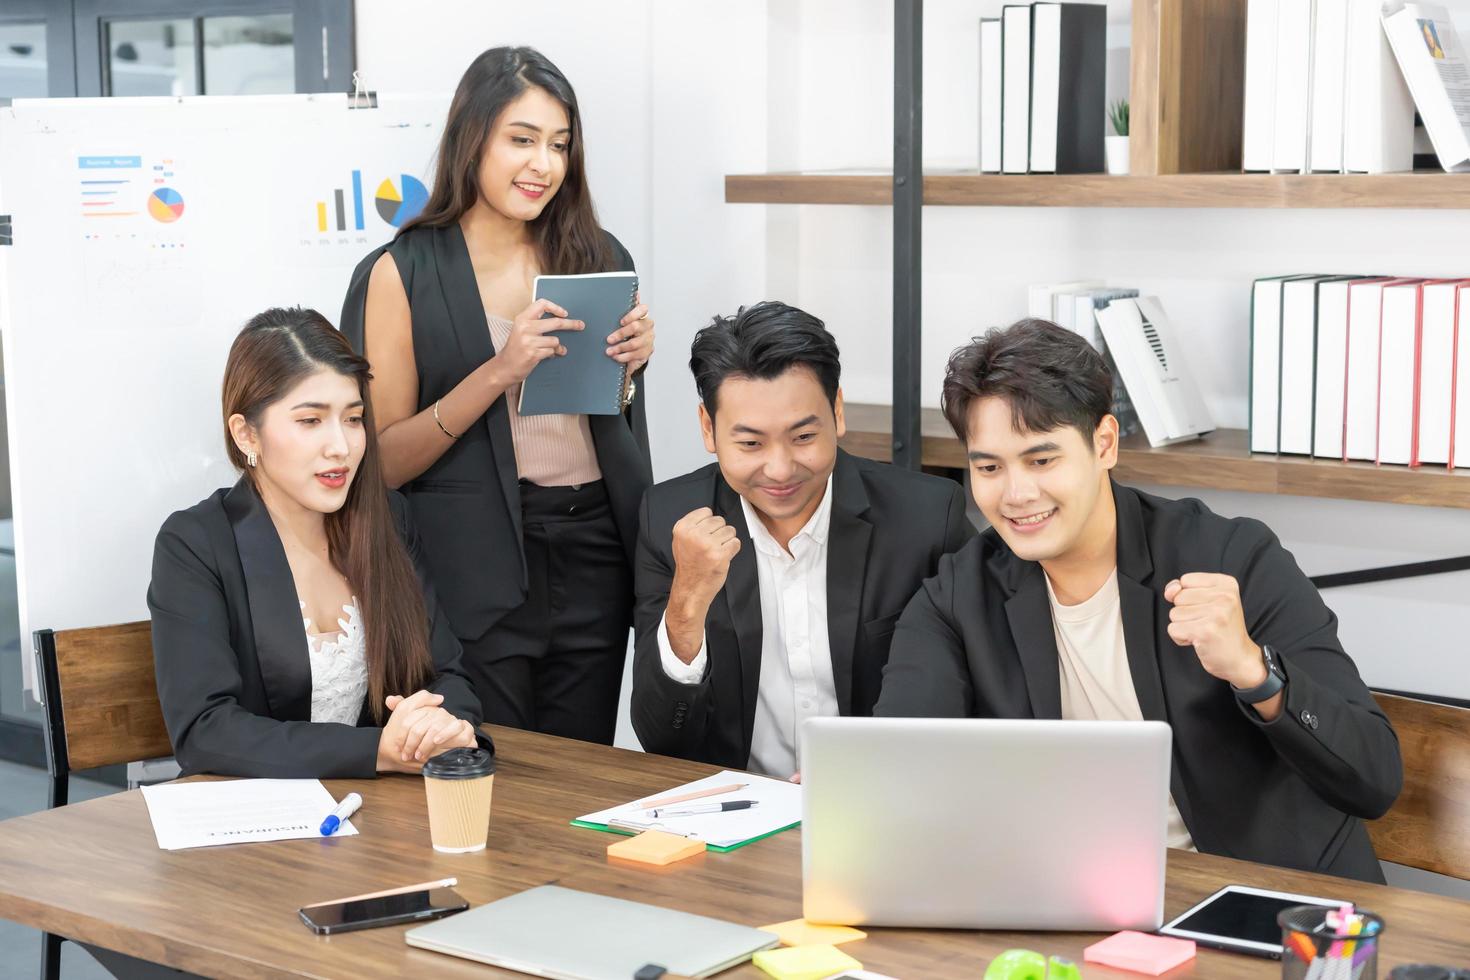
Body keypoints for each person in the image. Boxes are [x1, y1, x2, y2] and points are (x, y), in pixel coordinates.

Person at [874, 318, 1402, 882]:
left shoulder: (1231, 556)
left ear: (1104, 443)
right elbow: (902, 768)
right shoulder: (959, 595)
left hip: (1267, 899)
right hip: (1079, 898)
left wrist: (1255, 671)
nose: (1016, 494)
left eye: (1041, 460)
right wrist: (867, 788)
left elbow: (1373, 778)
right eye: (988, 467)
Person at [340, 46, 655, 744]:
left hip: (595, 547)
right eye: (521, 140)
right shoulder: (401, 273)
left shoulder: (600, 256)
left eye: (559, 145)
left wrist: (629, 370)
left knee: (581, 772)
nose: (542, 164)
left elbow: (609, 422)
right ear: (471, 138)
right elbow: (380, 462)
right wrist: (498, 370)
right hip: (471, 562)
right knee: (492, 767)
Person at [632, 302, 976, 776]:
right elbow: (661, 738)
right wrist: (687, 600)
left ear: (836, 412)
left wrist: (868, 772)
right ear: (708, 429)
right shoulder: (668, 518)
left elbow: (972, 697)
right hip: (733, 813)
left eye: (802, 437)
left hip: (879, 799)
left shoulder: (926, 517)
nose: (779, 469)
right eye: (750, 443)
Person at [148, 308, 488, 778]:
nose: (341, 446)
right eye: (310, 421)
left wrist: (441, 726)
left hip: (383, 814)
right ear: (247, 433)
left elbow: (445, 673)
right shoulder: (196, 543)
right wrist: (375, 751)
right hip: (249, 821)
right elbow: (205, 729)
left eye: (353, 419)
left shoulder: (387, 517)